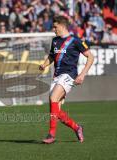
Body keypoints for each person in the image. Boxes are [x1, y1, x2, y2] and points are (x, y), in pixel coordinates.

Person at [39, 16, 94, 144]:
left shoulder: (75, 40)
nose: (53, 29)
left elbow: (90, 57)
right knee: (55, 111)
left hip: (69, 76)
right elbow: (52, 56)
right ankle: (77, 127)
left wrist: (82, 74)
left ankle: (51, 135)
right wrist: (44, 64)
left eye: (55, 27)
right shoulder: (55, 41)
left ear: (62, 26)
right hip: (57, 76)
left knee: (53, 98)